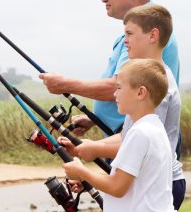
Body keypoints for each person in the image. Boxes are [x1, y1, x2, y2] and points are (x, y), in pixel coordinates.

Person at [59, 4, 185, 210]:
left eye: (129, 33)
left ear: (153, 35)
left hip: (157, 182)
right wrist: (86, 149)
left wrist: (89, 159)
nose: (124, 40)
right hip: (142, 181)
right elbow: (129, 139)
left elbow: (135, 149)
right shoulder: (146, 95)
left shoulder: (156, 88)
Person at [39, 0, 180, 139]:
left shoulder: (148, 32)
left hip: (134, 136)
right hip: (126, 132)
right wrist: (96, 118)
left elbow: (119, 85)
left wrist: (65, 85)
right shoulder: (134, 34)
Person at [63, 58, 174, 212]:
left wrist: (82, 172)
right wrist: (88, 178)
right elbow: (129, 183)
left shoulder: (140, 133)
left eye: (119, 88)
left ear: (140, 92)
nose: (115, 94)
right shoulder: (154, 128)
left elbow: (117, 187)